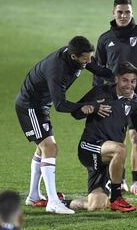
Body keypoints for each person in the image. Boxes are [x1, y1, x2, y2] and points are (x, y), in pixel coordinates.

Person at [15, 36, 112, 214]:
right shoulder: (57, 69)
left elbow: (98, 69)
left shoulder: (79, 57)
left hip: (42, 105)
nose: (89, 61)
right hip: (30, 106)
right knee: (49, 148)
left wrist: (120, 76)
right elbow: (60, 105)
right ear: (74, 57)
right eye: (86, 59)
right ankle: (52, 202)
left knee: (42, 149)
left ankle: (34, 196)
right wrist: (88, 106)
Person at [68, 62, 137, 212]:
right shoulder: (99, 92)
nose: (130, 85)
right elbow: (76, 112)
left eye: (133, 81)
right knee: (120, 149)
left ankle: (63, 201)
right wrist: (91, 108)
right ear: (116, 79)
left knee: (96, 205)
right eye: (125, 80)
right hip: (89, 147)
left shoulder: (134, 102)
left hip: (107, 157)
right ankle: (116, 197)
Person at [93, 0, 137, 195]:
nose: (123, 16)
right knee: (117, 138)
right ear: (113, 13)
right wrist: (97, 98)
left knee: (136, 136)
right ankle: (118, 181)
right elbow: (98, 70)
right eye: (120, 12)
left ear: (132, 13)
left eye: (127, 12)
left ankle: (136, 182)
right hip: (113, 96)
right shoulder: (105, 39)